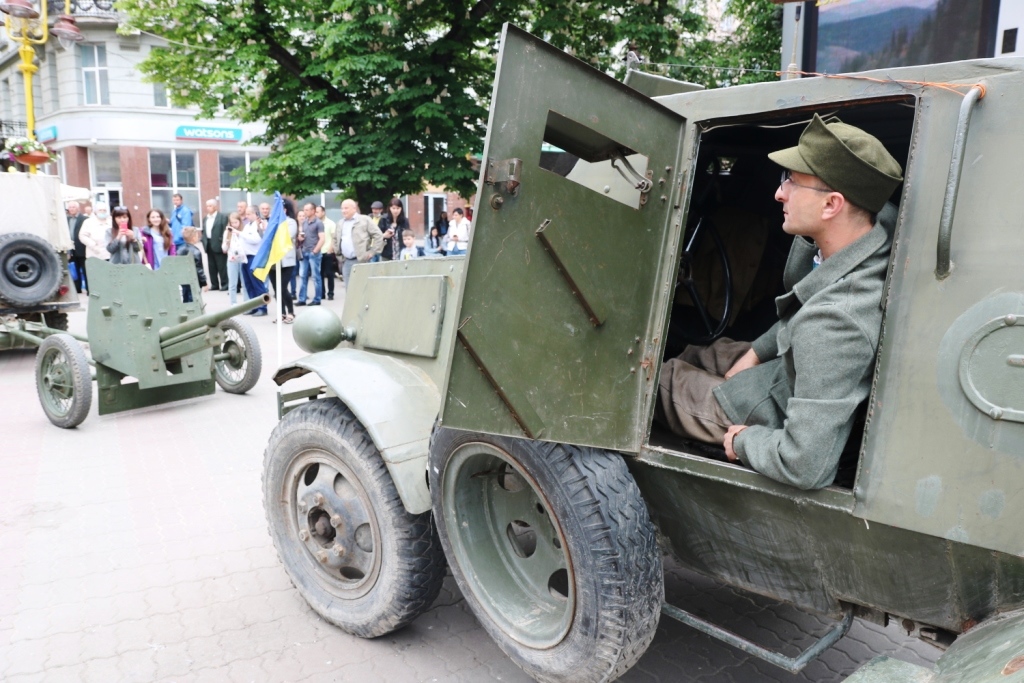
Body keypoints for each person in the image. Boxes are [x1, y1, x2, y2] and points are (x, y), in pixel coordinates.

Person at [655, 114, 903, 491]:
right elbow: (806, 306)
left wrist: (742, 443)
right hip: (787, 369)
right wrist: (755, 352)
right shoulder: (872, 229)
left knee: (659, 378)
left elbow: (805, 465)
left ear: (832, 205)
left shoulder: (836, 325)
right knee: (699, 351)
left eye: (792, 182)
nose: (779, 193)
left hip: (777, 408)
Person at [334, 198, 383, 286]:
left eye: (346, 208)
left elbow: (378, 235)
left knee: (361, 289)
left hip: (361, 260)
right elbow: (335, 239)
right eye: (342, 208)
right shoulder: (340, 223)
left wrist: (372, 252)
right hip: (346, 261)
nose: (343, 211)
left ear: (354, 208)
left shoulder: (364, 220)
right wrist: (339, 255)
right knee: (349, 290)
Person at [269, 198, 299, 324]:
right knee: (276, 290)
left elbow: (287, 236)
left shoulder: (290, 222)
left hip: (286, 261)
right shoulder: (271, 222)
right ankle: (281, 313)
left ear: (284, 210)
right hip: (273, 261)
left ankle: (291, 312)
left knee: (282, 288)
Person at [239, 210, 268, 316]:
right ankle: (253, 306)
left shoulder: (259, 225)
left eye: (249, 213)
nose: (247, 216)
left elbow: (255, 239)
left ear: (256, 214)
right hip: (245, 257)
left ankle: (263, 307)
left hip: (254, 257)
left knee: (257, 283)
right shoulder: (247, 226)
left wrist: (240, 233)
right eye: (246, 214)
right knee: (249, 284)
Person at [296, 202, 325, 306]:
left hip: (314, 253)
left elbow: (322, 239)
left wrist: (315, 251)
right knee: (302, 276)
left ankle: (317, 299)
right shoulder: (304, 222)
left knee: (315, 277)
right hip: (304, 252)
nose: (305, 212)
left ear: (313, 211)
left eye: (307, 210)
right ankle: (302, 299)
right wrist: (300, 238)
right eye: (304, 210)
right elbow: (301, 236)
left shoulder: (318, 223)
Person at [78, 202, 112, 283]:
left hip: (109, 254)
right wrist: (93, 245)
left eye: (104, 210)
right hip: (94, 253)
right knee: (96, 278)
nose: (102, 212)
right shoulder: (88, 222)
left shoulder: (111, 221)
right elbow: (82, 236)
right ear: (95, 211)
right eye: (100, 210)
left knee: (109, 277)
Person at [201, 199, 230, 290]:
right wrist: (203, 240)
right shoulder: (205, 218)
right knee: (211, 266)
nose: (208, 208)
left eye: (210, 206)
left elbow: (225, 231)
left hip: (219, 244)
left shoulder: (222, 217)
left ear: (215, 206)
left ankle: (225, 284)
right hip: (208, 244)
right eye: (207, 206)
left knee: (222, 266)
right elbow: (204, 231)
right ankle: (214, 284)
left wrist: (224, 243)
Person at [222, 212, 246, 305]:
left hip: (243, 259)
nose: (234, 225)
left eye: (236, 222)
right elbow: (224, 249)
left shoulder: (243, 231)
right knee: (232, 283)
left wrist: (239, 234)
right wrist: (227, 241)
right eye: (232, 223)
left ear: (240, 222)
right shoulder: (227, 232)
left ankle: (246, 302)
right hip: (232, 259)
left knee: (244, 283)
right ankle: (233, 303)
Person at [316, 205, 338, 300]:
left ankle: (331, 293)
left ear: (323, 212)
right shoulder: (315, 223)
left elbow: (334, 237)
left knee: (329, 273)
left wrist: (331, 248)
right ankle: (322, 293)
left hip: (327, 251)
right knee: (319, 274)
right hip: (318, 251)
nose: (316, 214)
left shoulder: (330, 223)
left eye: (318, 212)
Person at [179, 226, 209, 292]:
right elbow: (198, 269)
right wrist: (204, 283)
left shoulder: (180, 249)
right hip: (194, 280)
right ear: (193, 237)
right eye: (197, 236)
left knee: (186, 298)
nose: (198, 237)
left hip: (183, 279)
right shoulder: (196, 252)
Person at [66, 201, 87, 292]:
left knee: (85, 269)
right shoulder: (66, 220)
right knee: (73, 269)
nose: (72, 209)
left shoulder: (85, 219)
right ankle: (77, 289)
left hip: (82, 248)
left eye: (73, 207)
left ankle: (88, 289)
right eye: (70, 207)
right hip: (70, 249)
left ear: (78, 208)